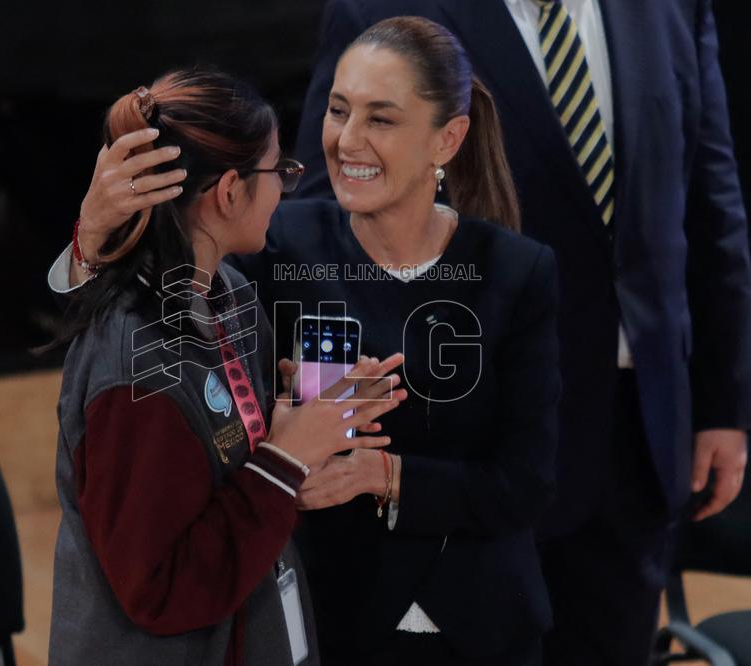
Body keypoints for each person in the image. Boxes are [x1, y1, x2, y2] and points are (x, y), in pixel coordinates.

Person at [51, 17, 561, 665]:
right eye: (338, 109)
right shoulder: (271, 242)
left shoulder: (518, 270)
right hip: (325, 616)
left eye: (380, 118)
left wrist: (382, 472)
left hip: (479, 622)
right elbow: (141, 308)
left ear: (448, 138)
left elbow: (527, 482)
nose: (346, 140)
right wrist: (91, 240)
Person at [290, 1, 751, 665]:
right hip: (457, 445)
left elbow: (711, 201)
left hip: (637, 434)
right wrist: (329, 408)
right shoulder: (379, 9)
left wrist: (724, 399)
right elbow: (319, 218)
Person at [49, 67, 408, 666]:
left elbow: (218, 457)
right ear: (230, 191)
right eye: (278, 172)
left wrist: (306, 419)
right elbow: (159, 591)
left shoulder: (229, 293)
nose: (286, 188)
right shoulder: (135, 371)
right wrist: (283, 460)